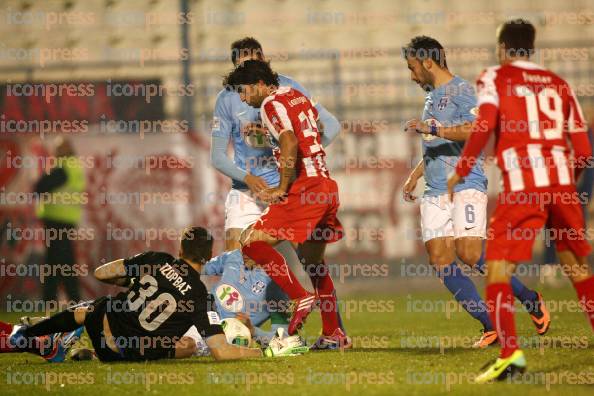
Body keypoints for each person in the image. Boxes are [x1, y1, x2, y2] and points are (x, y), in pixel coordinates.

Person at [447, 19, 594, 382]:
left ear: (502, 47)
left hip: (524, 187)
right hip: (561, 184)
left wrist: (463, 168)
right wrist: (563, 184)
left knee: (497, 266)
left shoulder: (495, 77)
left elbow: (486, 124)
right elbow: (584, 149)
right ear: (532, 46)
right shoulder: (559, 84)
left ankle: (511, 356)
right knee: (576, 265)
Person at [401, 36, 546, 347]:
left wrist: (434, 129)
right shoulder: (430, 97)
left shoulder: (463, 91)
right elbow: (437, 145)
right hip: (435, 189)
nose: (411, 75)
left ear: (428, 62)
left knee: (469, 253)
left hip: (465, 183)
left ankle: (530, 298)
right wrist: (414, 175)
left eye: (413, 68)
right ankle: (490, 325)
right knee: (440, 259)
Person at [10, 227, 297, 362]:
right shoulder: (204, 294)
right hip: (130, 352)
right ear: (210, 255)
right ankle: (68, 344)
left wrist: (138, 280)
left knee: (95, 307)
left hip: (106, 326)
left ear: (180, 249)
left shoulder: (158, 259)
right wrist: (258, 352)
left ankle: (34, 333)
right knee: (182, 344)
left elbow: (100, 274)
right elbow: (221, 350)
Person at [224, 60, 349, 347]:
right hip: (326, 186)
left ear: (257, 84)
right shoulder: (295, 95)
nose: (243, 98)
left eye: (243, 91)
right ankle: (334, 334)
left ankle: (299, 297)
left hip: (306, 189)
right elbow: (310, 131)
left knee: (251, 241)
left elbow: (290, 140)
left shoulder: (270, 103)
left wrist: (283, 186)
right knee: (314, 264)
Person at [210, 37, 340, 251]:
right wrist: (247, 179)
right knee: (236, 260)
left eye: (252, 64)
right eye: (241, 67)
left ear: (263, 60)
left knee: (310, 260)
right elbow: (217, 157)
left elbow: (331, 126)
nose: (247, 71)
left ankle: (312, 286)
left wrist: (301, 156)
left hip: (288, 188)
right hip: (247, 192)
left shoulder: (289, 87)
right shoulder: (226, 98)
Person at [34, 136, 85, 303]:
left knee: (60, 261)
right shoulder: (74, 167)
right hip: (65, 220)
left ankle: (69, 299)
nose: (54, 152)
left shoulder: (63, 168)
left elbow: (40, 186)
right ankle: (55, 298)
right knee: (57, 260)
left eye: (57, 148)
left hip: (57, 220)